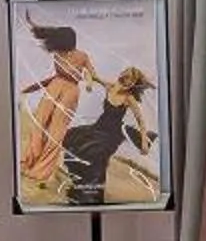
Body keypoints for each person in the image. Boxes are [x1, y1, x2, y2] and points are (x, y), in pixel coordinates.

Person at [61, 65, 157, 207]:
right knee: (72, 141)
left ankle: (92, 197)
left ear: (132, 85)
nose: (126, 84)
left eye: (130, 83)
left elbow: (141, 121)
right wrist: (88, 82)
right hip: (98, 127)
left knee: (96, 155)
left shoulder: (129, 98)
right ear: (122, 77)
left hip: (112, 134)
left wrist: (143, 142)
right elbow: (91, 75)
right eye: (125, 79)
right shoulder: (110, 87)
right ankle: (79, 186)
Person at [16, 21, 94, 192]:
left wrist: (88, 84)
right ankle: (27, 161)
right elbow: (55, 76)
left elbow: (90, 73)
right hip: (54, 86)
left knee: (56, 132)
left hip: (71, 92)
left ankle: (40, 172)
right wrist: (32, 87)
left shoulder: (83, 56)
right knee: (39, 123)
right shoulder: (57, 53)